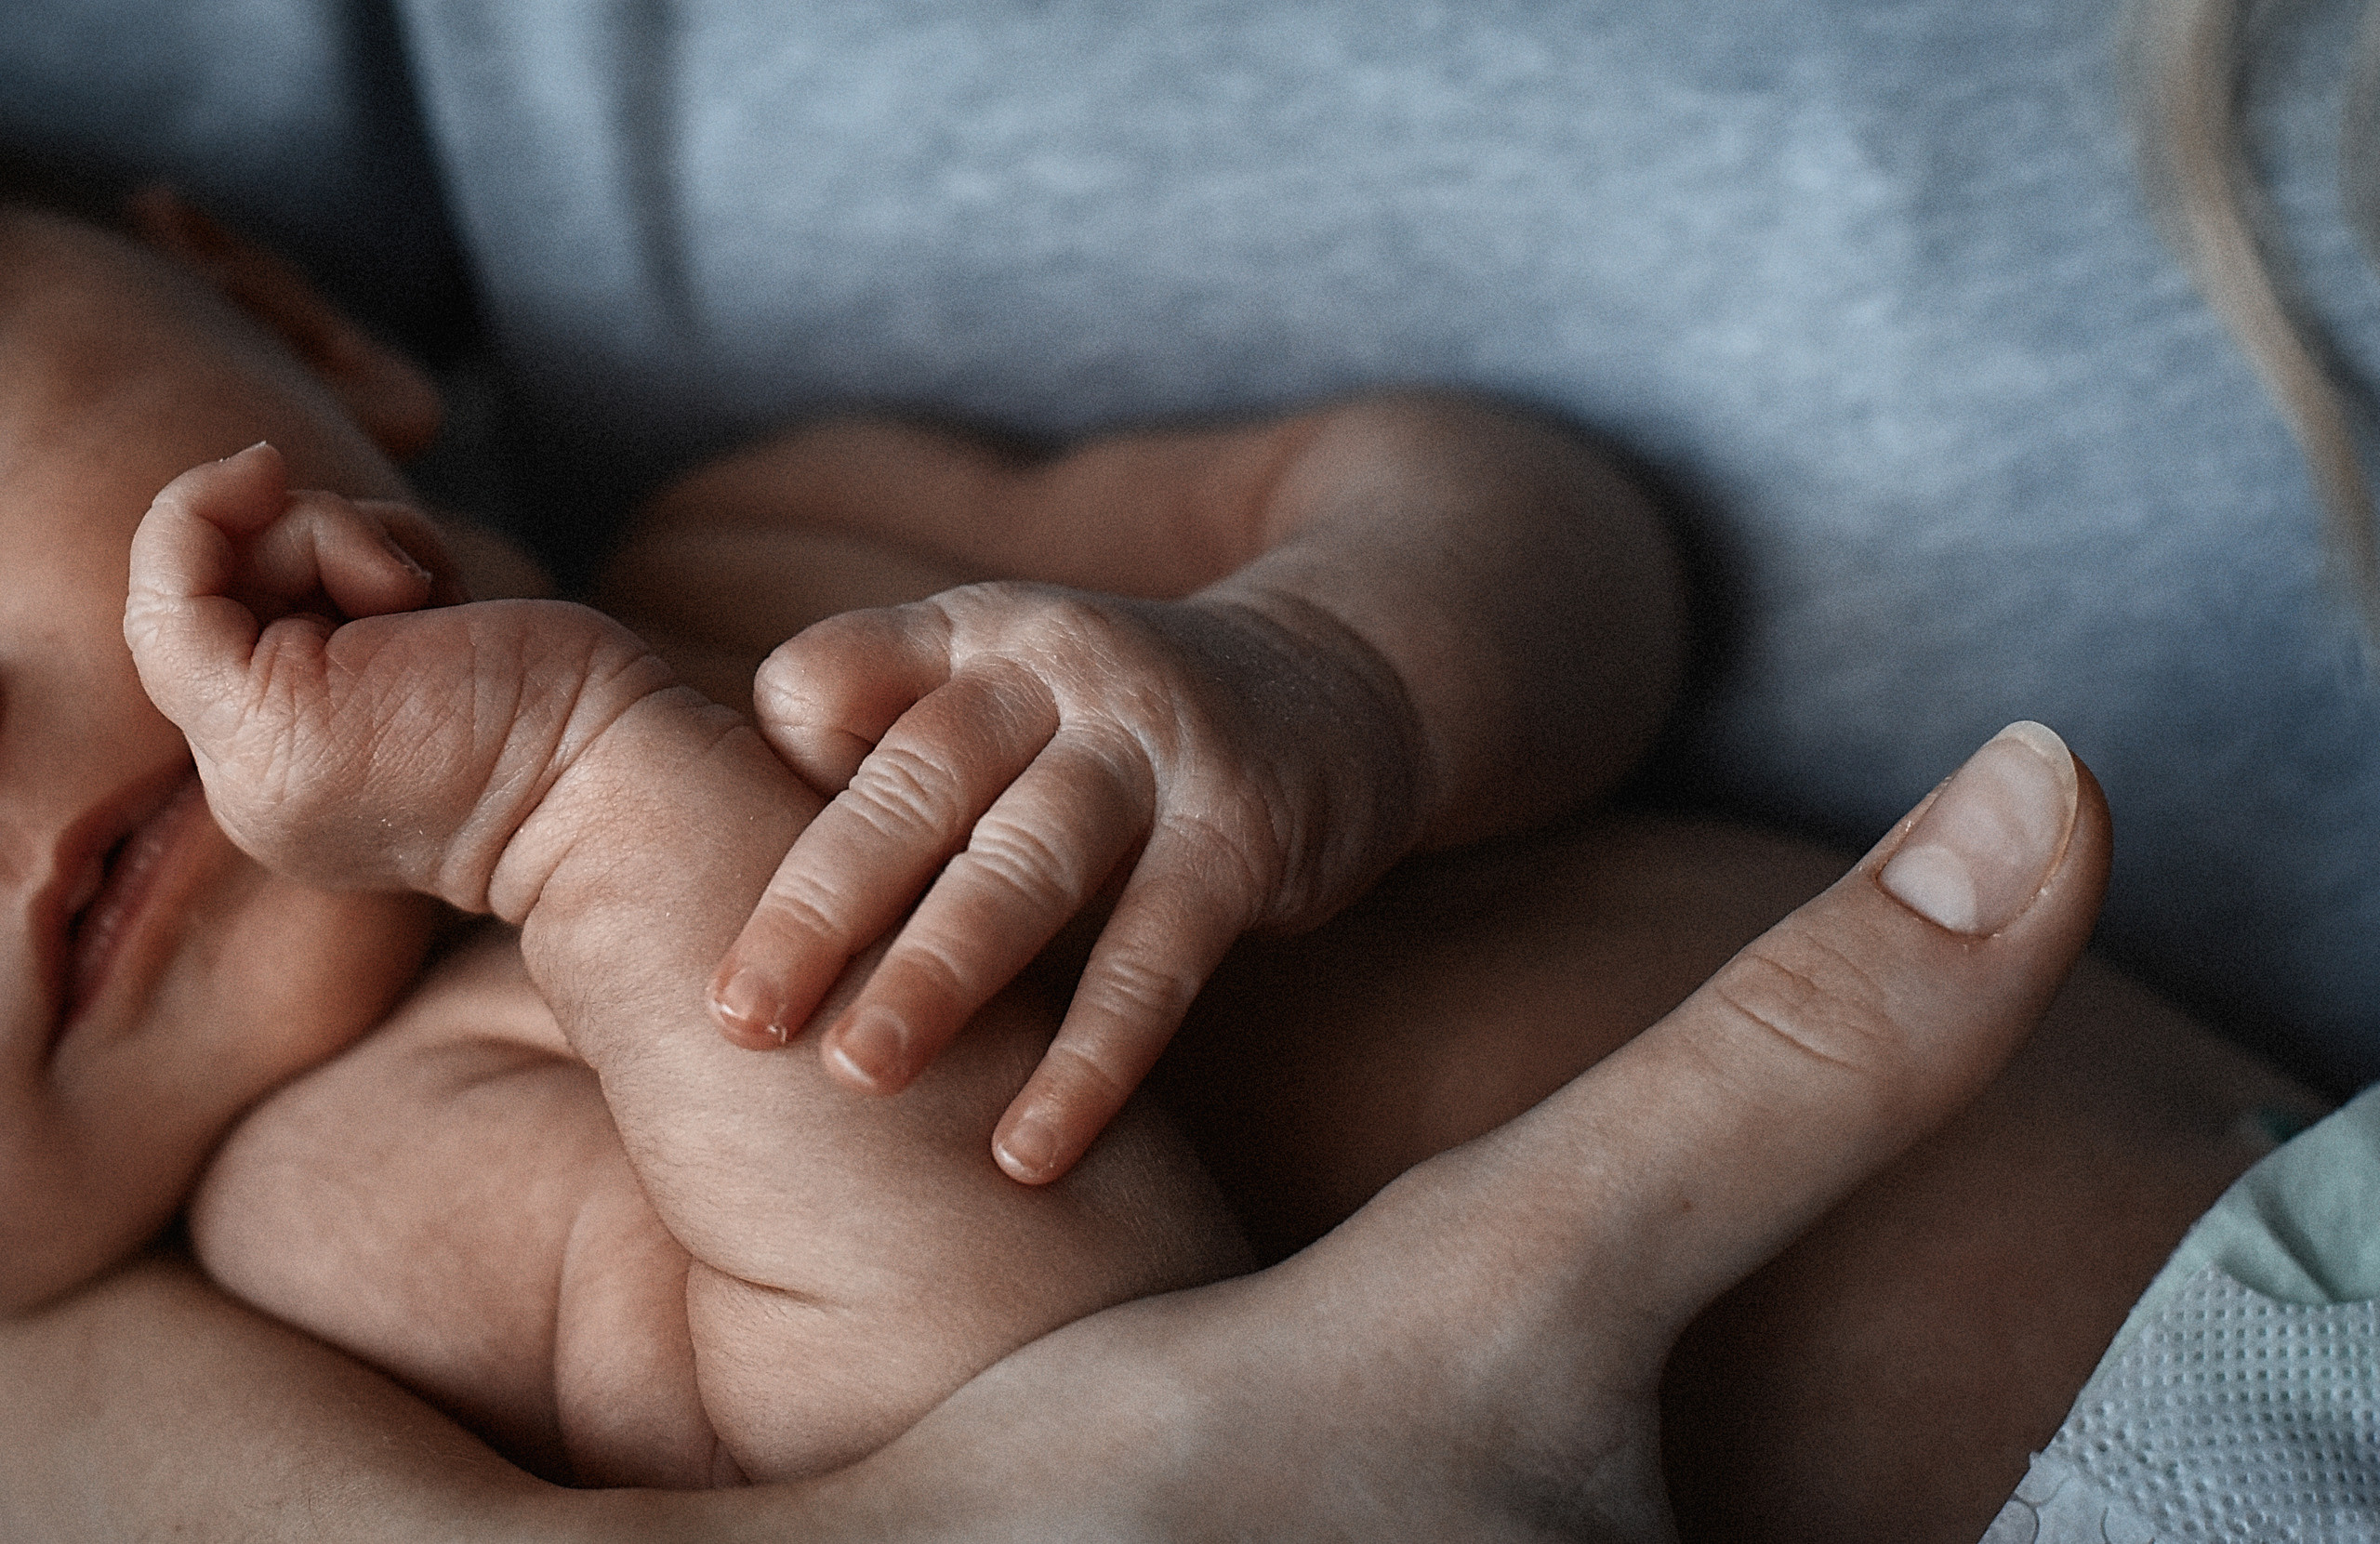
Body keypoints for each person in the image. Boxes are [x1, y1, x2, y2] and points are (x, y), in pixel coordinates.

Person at [0, 174, 2325, 1540]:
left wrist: (1340, 664)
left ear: (289, 320)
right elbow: (1050, 1404)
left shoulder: (780, 528)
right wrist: (570, 799)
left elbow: (1555, 525)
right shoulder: (346, 1221)